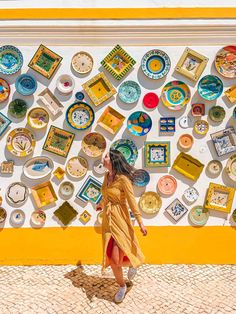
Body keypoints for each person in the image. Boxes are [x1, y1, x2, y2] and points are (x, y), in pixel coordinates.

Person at [96, 149, 148, 303]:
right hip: (107, 220)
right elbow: (106, 196)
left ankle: (133, 263)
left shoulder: (123, 179)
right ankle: (121, 286)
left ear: (113, 160)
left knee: (117, 259)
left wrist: (140, 222)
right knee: (112, 259)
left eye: (106, 157)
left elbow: (132, 202)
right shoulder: (106, 176)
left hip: (120, 220)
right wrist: (101, 204)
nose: (103, 158)